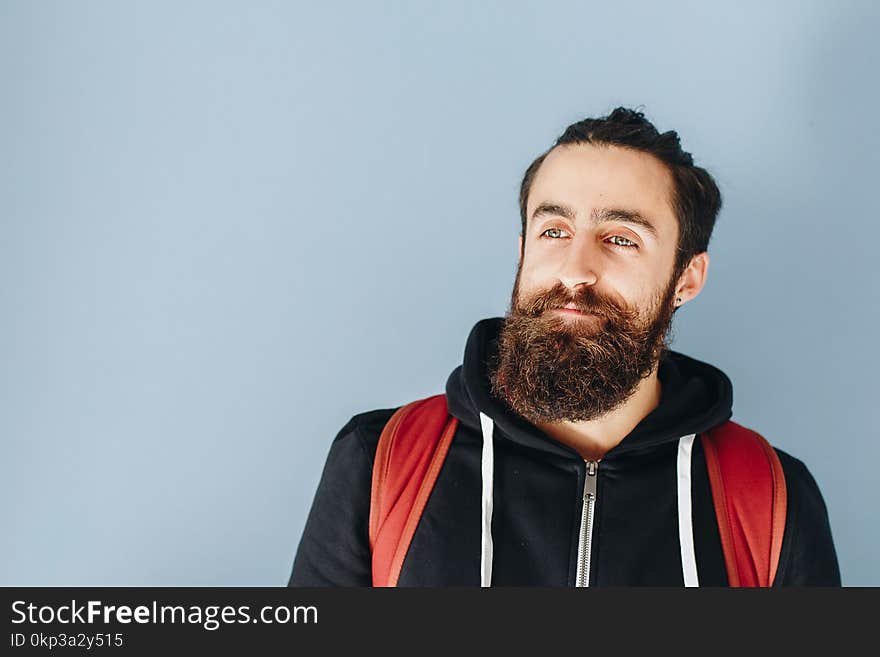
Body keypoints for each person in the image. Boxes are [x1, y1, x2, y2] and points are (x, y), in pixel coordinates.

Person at [288, 107, 841, 586]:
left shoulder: (771, 496)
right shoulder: (381, 460)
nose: (576, 270)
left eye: (621, 239)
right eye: (554, 231)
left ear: (687, 279)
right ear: (523, 248)